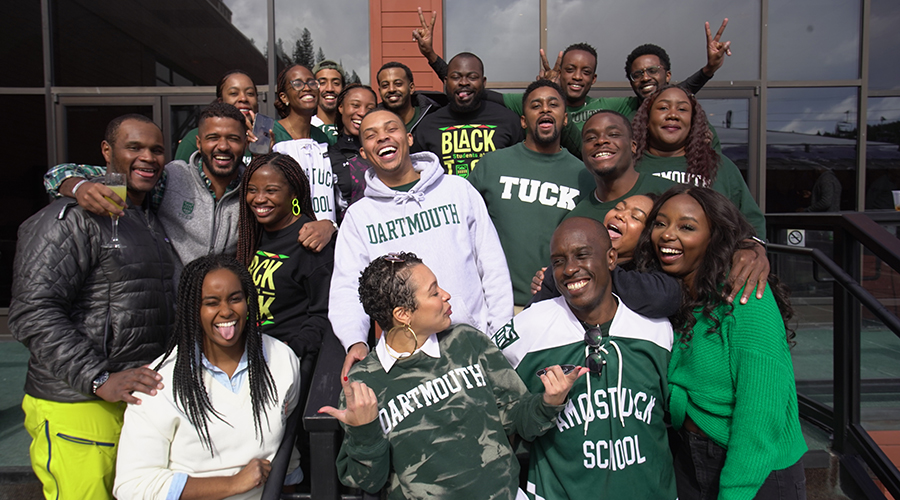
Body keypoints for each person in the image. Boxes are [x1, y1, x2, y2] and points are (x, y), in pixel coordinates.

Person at [319, 252, 583, 498]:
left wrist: (549, 401)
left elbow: (518, 419)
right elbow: (368, 481)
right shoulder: (364, 385)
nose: (446, 295)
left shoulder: (467, 341)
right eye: (434, 292)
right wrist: (365, 431)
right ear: (403, 314)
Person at [10, 115, 177, 499]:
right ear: (107, 152)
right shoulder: (67, 218)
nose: (147, 158)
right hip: (77, 404)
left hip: (128, 402)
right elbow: (32, 312)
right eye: (134, 147)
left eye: (156, 149)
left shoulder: (146, 217)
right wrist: (98, 378)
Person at [634, 186, 807, 499]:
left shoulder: (744, 295)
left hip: (755, 471)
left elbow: (760, 413)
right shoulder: (670, 291)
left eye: (686, 227)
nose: (667, 235)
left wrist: (735, 492)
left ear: (714, 238)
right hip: (689, 458)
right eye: (660, 223)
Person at [494, 217, 677, 499]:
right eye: (557, 262)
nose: (569, 269)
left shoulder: (656, 329)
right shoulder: (526, 329)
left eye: (582, 255)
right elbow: (491, 412)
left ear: (611, 258)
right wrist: (542, 405)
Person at [328, 109, 513, 379]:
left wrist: (497, 337)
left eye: (391, 129)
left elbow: (493, 266)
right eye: (371, 135)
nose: (382, 138)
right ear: (364, 153)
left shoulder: (457, 190)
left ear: (409, 138)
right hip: (408, 359)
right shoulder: (359, 216)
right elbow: (347, 288)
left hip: (474, 344)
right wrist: (355, 340)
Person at [413, 8, 729, 157]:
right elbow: (471, 90)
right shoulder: (533, 105)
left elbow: (665, 98)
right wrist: (432, 57)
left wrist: (707, 71)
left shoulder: (611, 107)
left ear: (594, 78)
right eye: (570, 69)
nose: (577, 77)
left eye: (585, 72)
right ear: (560, 72)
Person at [45, 102, 338, 262]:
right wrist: (77, 187)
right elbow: (60, 172)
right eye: (213, 138)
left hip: (229, 315)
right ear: (199, 142)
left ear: (244, 143)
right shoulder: (170, 177)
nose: (223, 146)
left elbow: (292, 211)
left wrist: (329, 224)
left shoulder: (252, 189)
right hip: (171, 312)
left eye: (233, 139)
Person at [113, 255, 301, 500]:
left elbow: (287, 447)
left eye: (235, 299)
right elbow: (132, 486)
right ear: (193, 309)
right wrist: (232, 484)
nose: (226, 311)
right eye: (212, 303)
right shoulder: (158, 382)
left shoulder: (281, 359)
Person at [632, 85, 770, 302]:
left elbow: (750, 222)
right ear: (647, 119)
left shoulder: (720, 167)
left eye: (682, 109)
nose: (673, 115)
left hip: (710, 288)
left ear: (694, 121)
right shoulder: (629, 167)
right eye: (663, 108)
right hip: (645, 288)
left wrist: (754, 249)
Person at [467, 80, 593, 306]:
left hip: (557, 305)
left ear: (565, 119)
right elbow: (463, 226)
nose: (545, 109)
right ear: (523, 121)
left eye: (553, 104)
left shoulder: (584, 176)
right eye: (536, 106)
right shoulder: (493, 164)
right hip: (495, 305)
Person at [236, 152, 334, 360]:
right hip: (248, 356)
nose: (259, 199)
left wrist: (292, 351)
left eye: (271, 191)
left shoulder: (311, 240)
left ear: (293, 195)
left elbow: (322, 313)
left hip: (287, 361)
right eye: (252, 190)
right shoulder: (251, 234)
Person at [412, 52, 524, 177]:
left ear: (483, 82)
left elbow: (523, 167)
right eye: (455, 77)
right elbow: (415, 173)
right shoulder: (428, 125)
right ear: (445, 82)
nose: (464, 82)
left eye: (472, 77)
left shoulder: (508, 120)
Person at [175, 69, 260, 163]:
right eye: (234, 93)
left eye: (250, 93)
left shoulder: (270, 135)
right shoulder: (194, 138)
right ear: (221, 101)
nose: (243, 98)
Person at [328, 84, 378, 207]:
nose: (362, 112)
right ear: (341, 107)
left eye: (370, 108)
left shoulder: (384, 151)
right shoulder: (329, 156)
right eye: (355, 105)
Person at [376, 61, 441, 134]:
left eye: (398, 84)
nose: (391, 89)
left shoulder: (433, 117)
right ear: (379, 91)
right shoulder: (374, 123)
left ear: (411, 88)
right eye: (385, 85)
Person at [273, 64, 332, 145]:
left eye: (311, 83)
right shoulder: (272, 132)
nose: (307, 88)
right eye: (297, 84)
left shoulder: (321, 138)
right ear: (284, 97)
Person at [311, 59, 345, 145]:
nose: (329, 88)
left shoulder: (351, 127)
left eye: (336, 83)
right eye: (322, 83)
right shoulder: (304, 128)